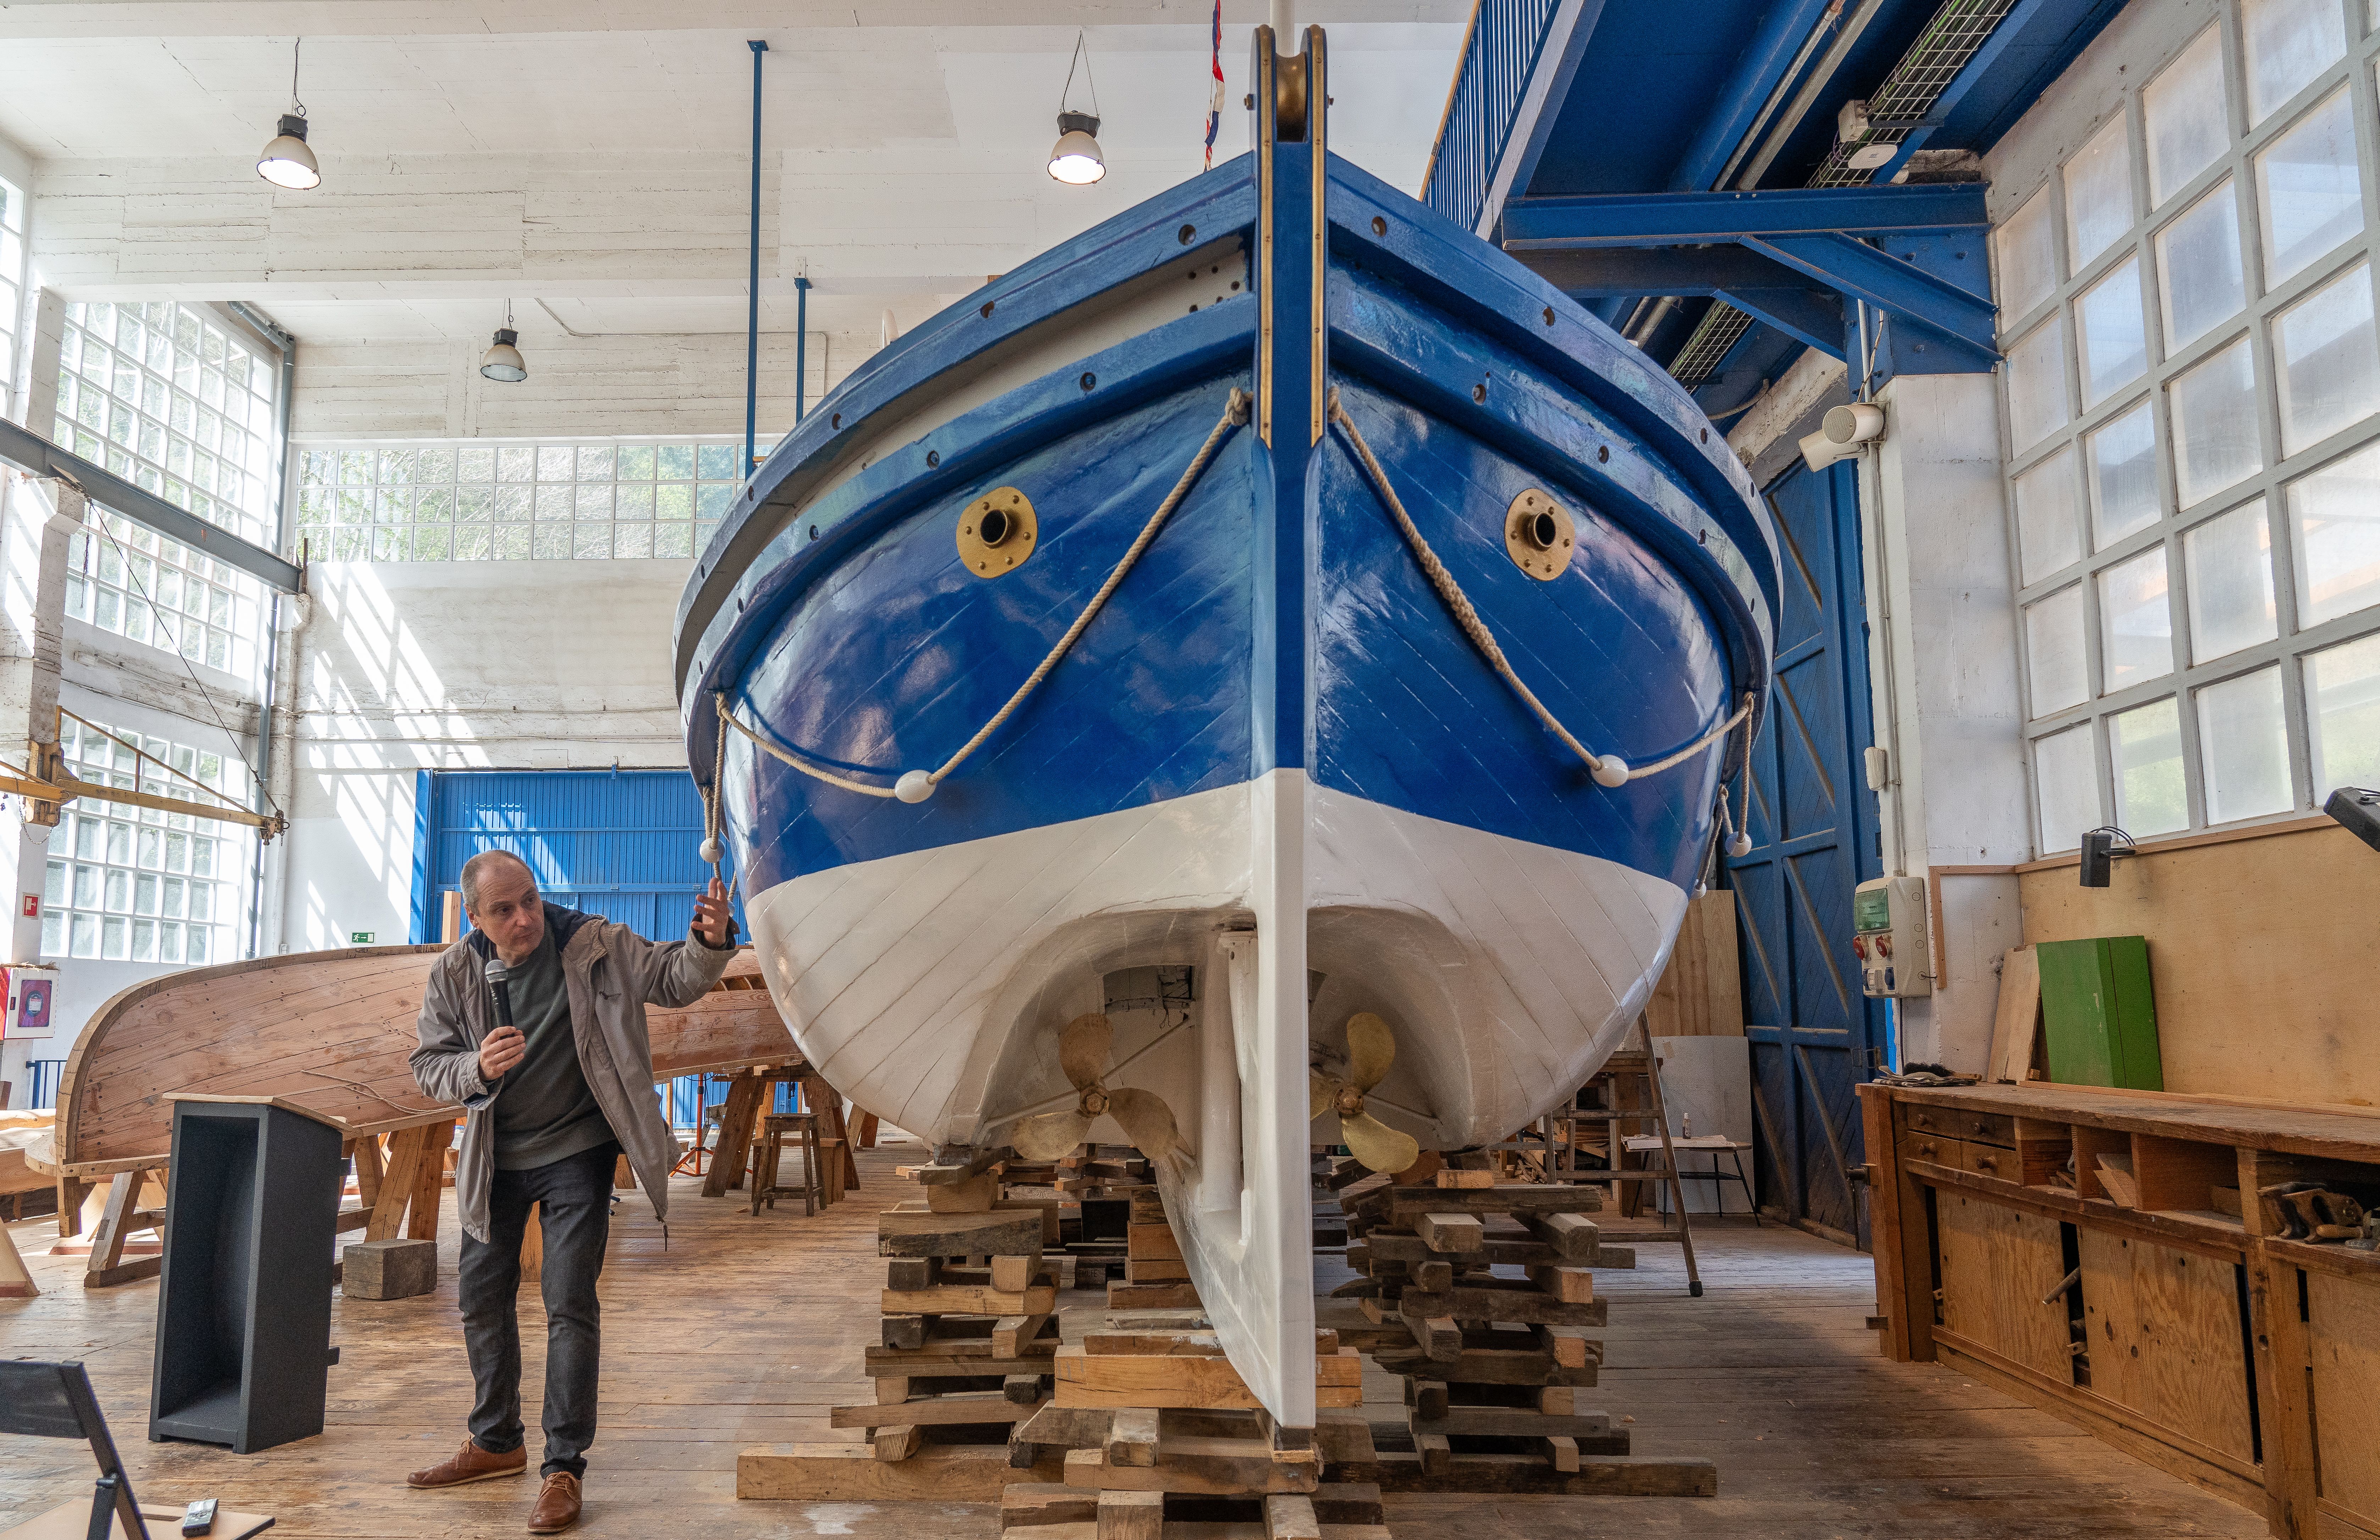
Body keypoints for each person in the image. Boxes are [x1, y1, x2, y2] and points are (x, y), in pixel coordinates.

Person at [405, 850, 736, 1534]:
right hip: (496, 1158)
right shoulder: (455, 973)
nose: (525, 918)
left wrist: (709, 943)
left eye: (529, 899)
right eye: (504, 910)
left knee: (568, 1301)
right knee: (480, 1298)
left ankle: (563, 1465)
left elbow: (675, 980)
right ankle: (497, 1442)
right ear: (474, 917)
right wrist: (474, 1066)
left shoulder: (597, 944)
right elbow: (428, 1066)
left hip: (577, 1150)